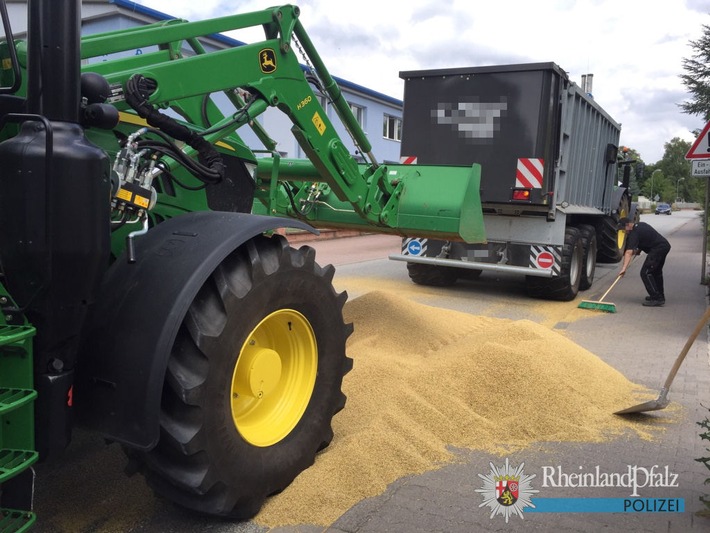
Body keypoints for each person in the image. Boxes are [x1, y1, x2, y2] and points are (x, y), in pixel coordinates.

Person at [618, 217, 671, 307]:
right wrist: (638, 250)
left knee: (645, 273)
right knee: (656, 272)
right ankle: (659, 296)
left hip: (657, 249)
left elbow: (628, 252)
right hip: (664, 246)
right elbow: (646, 239)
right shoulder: (641, 225)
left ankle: (656, 298)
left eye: (624, 229)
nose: (625, 232)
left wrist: (624, 268)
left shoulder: (633, 233)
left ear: (628, 225)